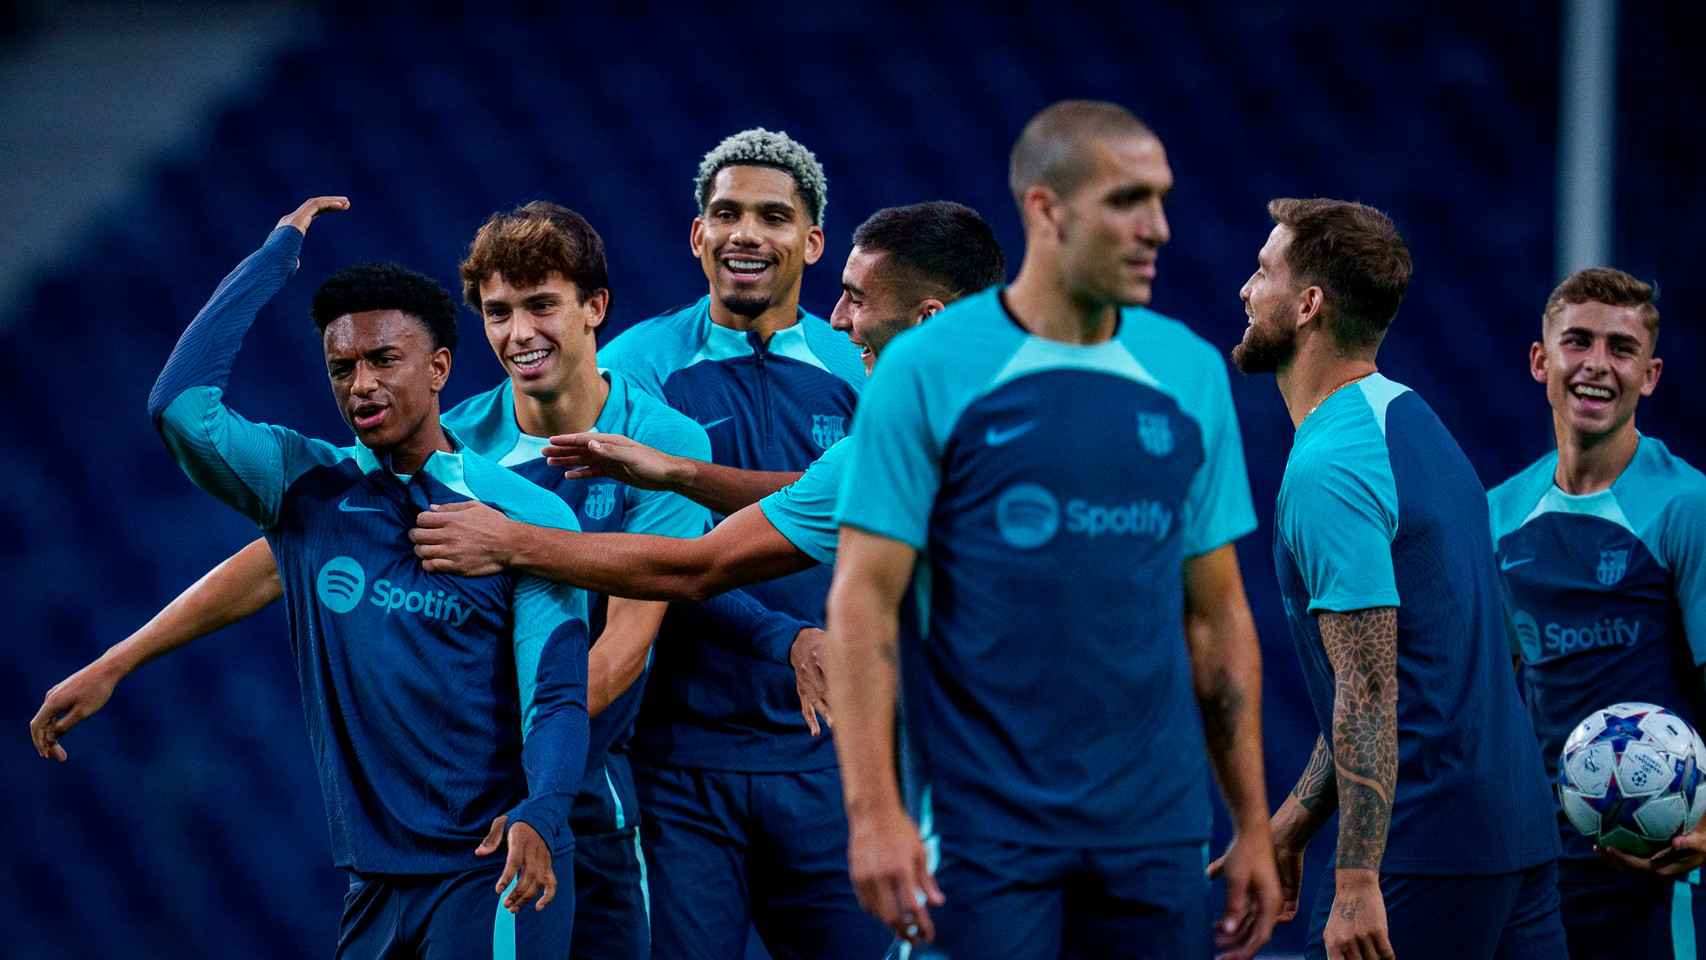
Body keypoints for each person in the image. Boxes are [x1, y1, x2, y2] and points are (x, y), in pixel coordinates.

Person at [31, 199, 820, 960]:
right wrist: (119, 659)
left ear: (594, 309)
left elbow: (626, 644)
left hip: (579, 795)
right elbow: (279, 557)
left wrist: (512, 780)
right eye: (499, 311)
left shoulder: (656, 443)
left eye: (540, 305)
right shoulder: (451, 437)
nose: (519, 332)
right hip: (463, 817)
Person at [825, 100, 1279, 960]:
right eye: (1126, 201)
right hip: (985, 835)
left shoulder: (1187, 370)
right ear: (1045, 209)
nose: (1157, 229)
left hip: (1156, 835)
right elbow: (863, 605)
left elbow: (1217, 615)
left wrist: (1252, 822)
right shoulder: (926, 370)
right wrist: (874, 813)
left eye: (1161, 199)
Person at [147, 196, 590, 955]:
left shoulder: (525, 516)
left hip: (489, 873)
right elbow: (180, 406)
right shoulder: (305, 490)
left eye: (384, 360)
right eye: (341, 367)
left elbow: (555, 693)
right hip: (371, 886)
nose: (362, 385)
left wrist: (544, 809)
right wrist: (272, 260)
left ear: (440, 366)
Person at [409, 201, 1004, 734]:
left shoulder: (896, 446)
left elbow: (699, 569)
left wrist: (512, 543)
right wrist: (681, 475)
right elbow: (826, 493)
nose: (840, 319)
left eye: (858, 297)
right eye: (497, 312)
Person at [1229, 196, 1564, 959]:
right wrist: (1293, 822)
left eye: (1262, 272)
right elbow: (1413, 667)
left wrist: (1354, 883)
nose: (1246, 292)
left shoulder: (1331, 466)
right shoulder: (1414, 420)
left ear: (1310, 305)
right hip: (1515, 837)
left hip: (1425, 852)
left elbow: (1372, 689)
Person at [1486, 267, 1706, 958]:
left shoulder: (1686, 506)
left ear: (1650, 374)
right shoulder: (1497, 514)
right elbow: (1487, 697)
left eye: (1621, 348)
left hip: (1655, 865)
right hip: (1534, 867)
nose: (1596, 365)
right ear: (1540, 359)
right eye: (1578, 341)